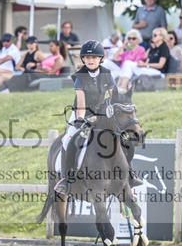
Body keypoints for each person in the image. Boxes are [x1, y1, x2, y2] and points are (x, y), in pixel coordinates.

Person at [53, 40, 141, 194]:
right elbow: (81, 103)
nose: (90, 60)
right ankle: (66, 179)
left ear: (100, 59)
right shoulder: (80, 77)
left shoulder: (106, 73)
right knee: (69, 140)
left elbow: (114, 97)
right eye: (87, 58)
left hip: (101, 114)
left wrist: (123, 106)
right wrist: (80, 120)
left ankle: (130, 173)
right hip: (81, 114)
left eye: (94, 57)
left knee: (124, 138)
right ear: (83, 59)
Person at [117, 27, 169, 91]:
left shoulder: (164, 48)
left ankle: (123, 87)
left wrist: (145, 65)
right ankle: (118, 86)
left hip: (158, 72)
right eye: (152, 35)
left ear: (162, 37)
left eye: (155, 35)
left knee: (128, 63)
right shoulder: (153, 49)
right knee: (126, 63)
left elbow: (160, 65)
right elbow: (147, 61)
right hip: (148, 69)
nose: (153, 37)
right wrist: (143, 64)